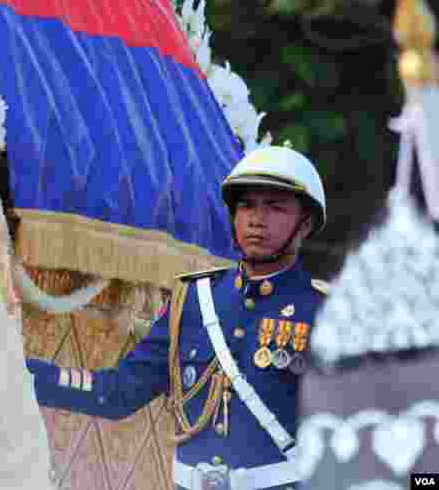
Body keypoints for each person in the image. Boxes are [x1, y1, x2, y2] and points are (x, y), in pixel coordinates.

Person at [27, 145, 329, 490]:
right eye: (246, 205)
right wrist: (19, 375)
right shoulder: (195, 300)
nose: (257, 219)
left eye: (275, 207)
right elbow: (117, 393)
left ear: (305, 223)